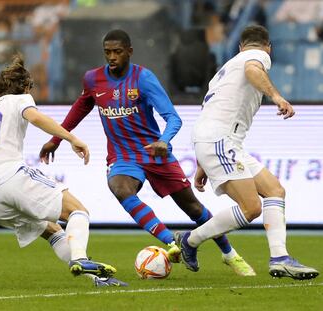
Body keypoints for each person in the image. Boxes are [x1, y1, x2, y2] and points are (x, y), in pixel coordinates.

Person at [39, 29, 255, 276]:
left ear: (129, 52)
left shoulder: (144, 79)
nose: (112, 57)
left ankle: (230, 255)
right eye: (107, 52)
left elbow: (173, 118)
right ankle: (173, 242)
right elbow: (79, 109)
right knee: (120, 189)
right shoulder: (93, 79)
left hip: (154, 153)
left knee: (194, 209)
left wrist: (163, 140)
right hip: (122, 156)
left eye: (117, 52)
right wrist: (56, 139)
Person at [0, 55, 126, 287]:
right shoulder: (20, 99)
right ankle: (81, 258)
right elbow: (35, 117)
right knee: (78, 211)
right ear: (24, 86)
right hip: (10, 178)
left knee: (53, 231)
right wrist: (71, 137)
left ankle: (97, 279)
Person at [175, 25, 319, 280]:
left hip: (221, 140)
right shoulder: (256, 56)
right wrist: (277, 97)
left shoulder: (223, 71)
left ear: (240, 45)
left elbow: (210, 112)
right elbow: (252, 69)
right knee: (251, 208)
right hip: (221, 140)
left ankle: (280, 258)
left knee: (275, 191)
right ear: (268, 47)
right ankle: (190, 240)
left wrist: (201, 163)